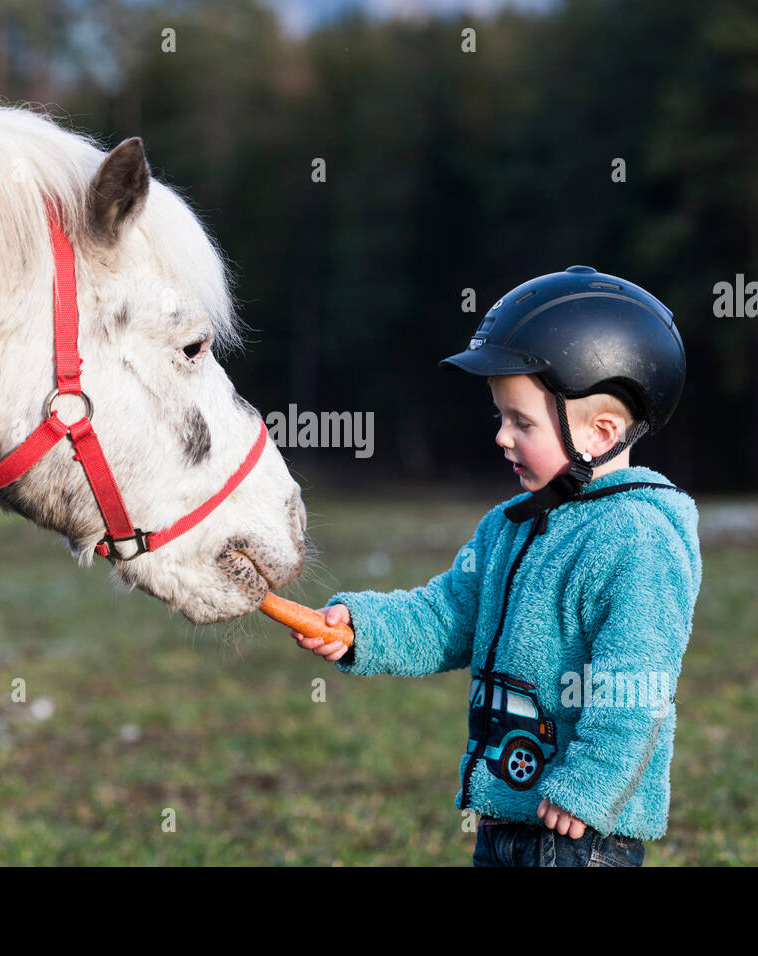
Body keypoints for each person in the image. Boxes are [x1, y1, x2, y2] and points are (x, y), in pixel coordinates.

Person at [290, 266, 702, 866]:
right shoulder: (510, 523)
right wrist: (363, 628)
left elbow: (636, 686)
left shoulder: (637, 538)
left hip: (582, 834)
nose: (502, 438)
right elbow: (451, 613)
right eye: (500, 418)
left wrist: (589, 788)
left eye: (522, 422)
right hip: (504, 818)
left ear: (601, 432)